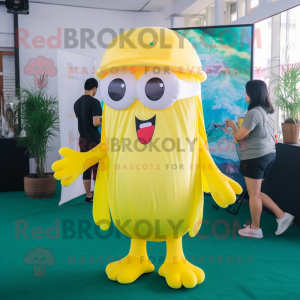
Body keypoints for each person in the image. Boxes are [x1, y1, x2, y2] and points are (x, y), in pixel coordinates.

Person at [225, 80, 294, 238]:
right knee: (255, 192)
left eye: (246, 91)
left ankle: (255, 229)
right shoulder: (265, 112)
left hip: (255, 157)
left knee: (254, 194)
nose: (245, 94)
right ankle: (282, 216)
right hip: (268, 155)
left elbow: (238, 137)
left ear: (253, 93)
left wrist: (233, 127)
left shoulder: (253, 112)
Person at [74, 78, 102, 203]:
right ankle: (99, 194)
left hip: (83, 140)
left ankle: (88, 196)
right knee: (97, 168)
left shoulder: (77, 103)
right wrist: (105, 121)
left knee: (87, 168)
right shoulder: (94, 102)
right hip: (94, 140)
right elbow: (96, 123)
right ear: (94, 88)